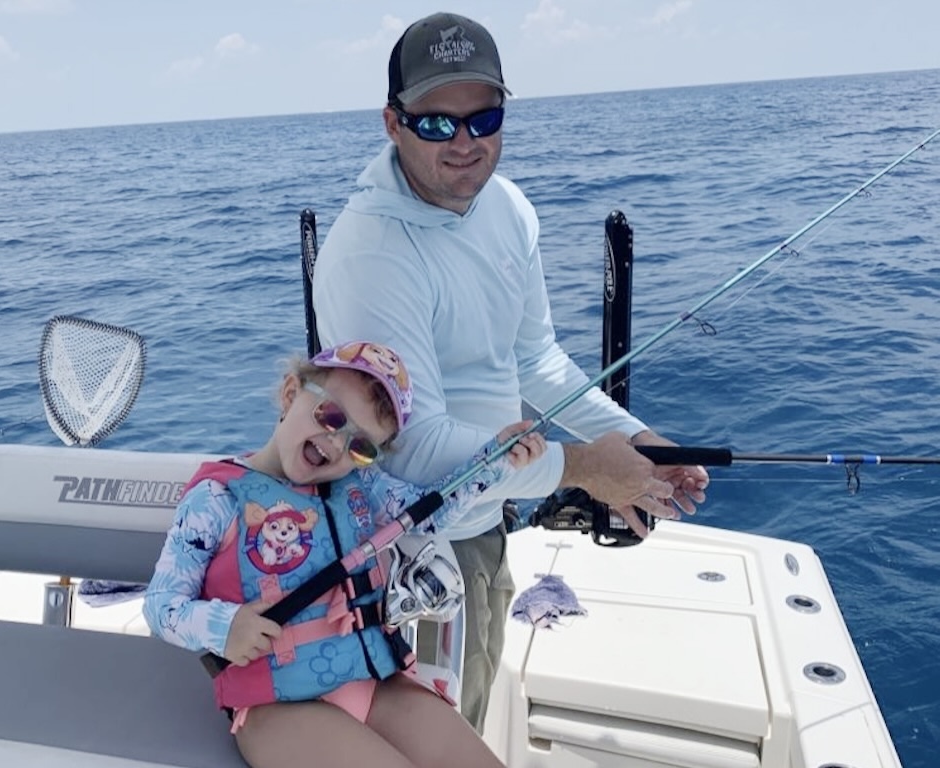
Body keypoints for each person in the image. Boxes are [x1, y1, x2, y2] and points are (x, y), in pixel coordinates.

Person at [311, 12, 710, 733]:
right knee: (428, 738)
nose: (464, 143)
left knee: (476, 703)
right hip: (408, 546)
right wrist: (586, 467)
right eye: (436, 124)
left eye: (483, 117)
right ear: (392, 123)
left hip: (489, 516)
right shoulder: (373, 253)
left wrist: (637, 441)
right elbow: (414, 450)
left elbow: (536, 361)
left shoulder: (508, 209)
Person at [143, 340, 545, 768]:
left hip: (376, 684)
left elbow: (426, 515)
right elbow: (161, 605)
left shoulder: (361, 486)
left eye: (361, 446)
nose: (336, 443)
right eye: (331, 415)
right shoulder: (216, 499)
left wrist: (495, 462)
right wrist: (226, 627)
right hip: (278, 707)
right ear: (291, 394)